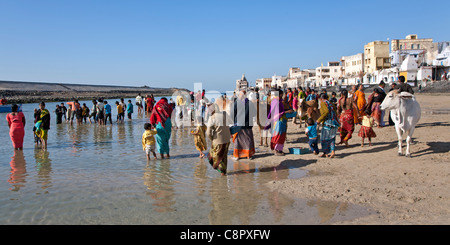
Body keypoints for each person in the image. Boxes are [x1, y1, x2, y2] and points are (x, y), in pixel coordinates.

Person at [206, 100, 232, 176]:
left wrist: (212, 139)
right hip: (227, 139)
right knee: (224, 156)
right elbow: (231, 122)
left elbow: (208, 132)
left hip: (218, 141)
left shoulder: (212, 118)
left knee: (215, 156)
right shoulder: (224, 113)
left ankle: (221, 172)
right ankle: (223, 172)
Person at [265, 89, 292, 156]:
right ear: (279, 94)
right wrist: (286, 112)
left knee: (281, 135)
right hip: (278, 121)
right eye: (281, 94)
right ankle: (277, 150)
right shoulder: (276, 101)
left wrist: (286, 110)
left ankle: (280, 149)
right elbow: (276, 113)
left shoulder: (278, 101)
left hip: (282, 120)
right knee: (278, 135)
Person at [231, 89, 256, 160]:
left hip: (238, 125)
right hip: (248, 124)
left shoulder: (236, 103)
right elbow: (254, 113)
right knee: (248, 140)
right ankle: (248, 155)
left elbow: (232, 114)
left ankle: (237, 156)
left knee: (238, 140)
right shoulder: (250, 103)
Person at [316, 93, 340, 158]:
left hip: (327, 123)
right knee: (332, 138)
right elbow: (335, 111)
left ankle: (325, 152)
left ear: (321, 99)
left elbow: (326, 112)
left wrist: (319, 120)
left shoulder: (323, 103)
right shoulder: (331, 103)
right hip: (334, 123)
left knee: (323, 138)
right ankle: (332, 151)